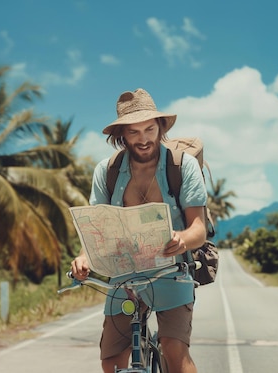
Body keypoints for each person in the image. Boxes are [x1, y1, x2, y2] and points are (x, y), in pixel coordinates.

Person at [70, 88, 207, 373]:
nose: (143, 139)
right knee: (111, 362)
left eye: (149, 129)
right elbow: (95, 229)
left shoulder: (182, 166)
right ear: (122, 135)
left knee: (173, 349)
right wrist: (83, 258)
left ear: (160, 128)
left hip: (172, 272)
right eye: (134, 132)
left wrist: (181, 239)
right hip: (123, 277)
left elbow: (198, 229)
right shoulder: (106, 171)